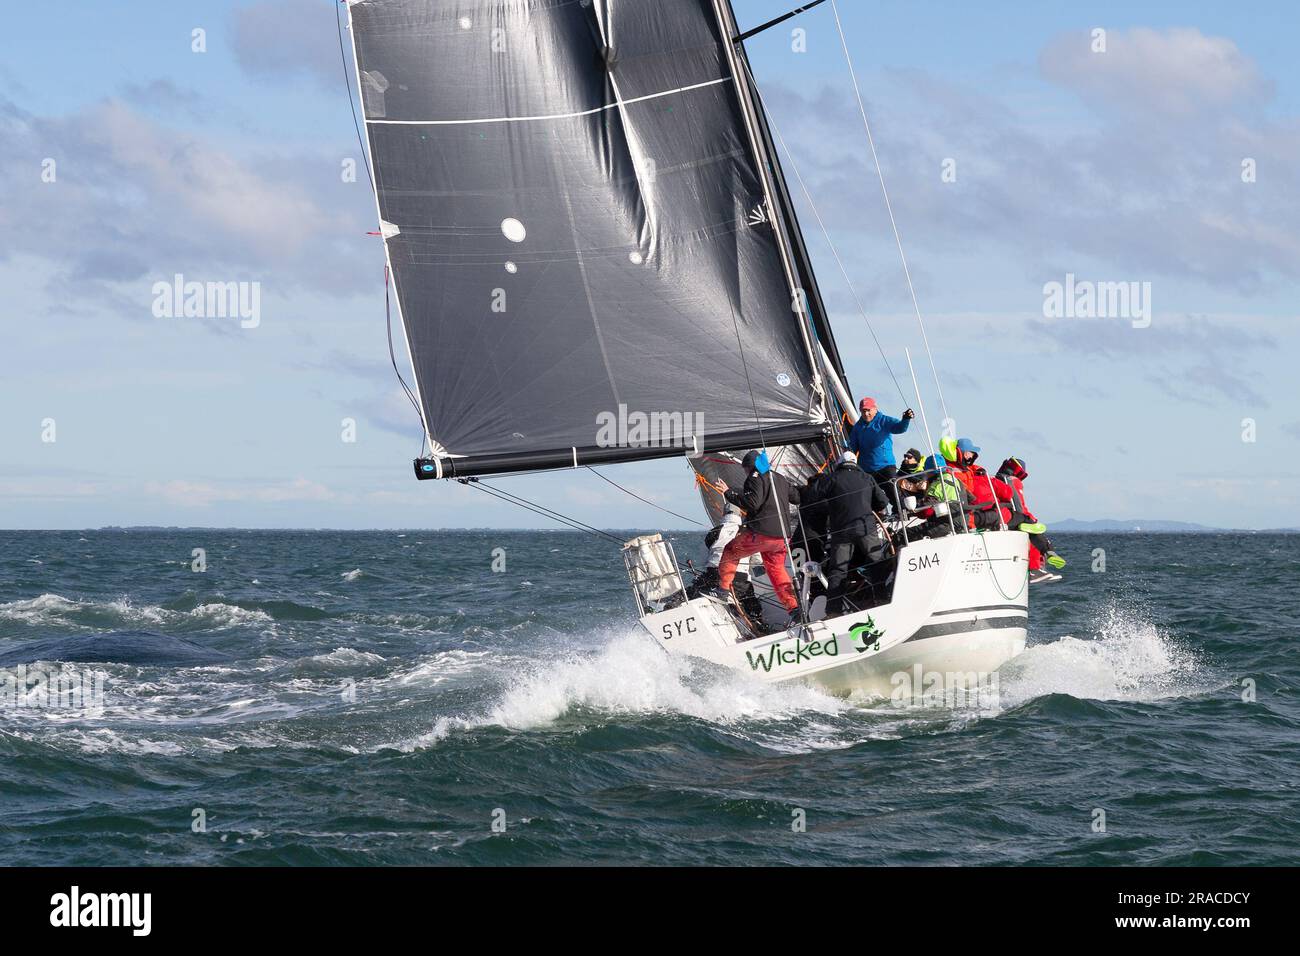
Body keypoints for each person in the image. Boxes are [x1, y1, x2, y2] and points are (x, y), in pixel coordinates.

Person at [800, 451, 890, 616]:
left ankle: (833, 611)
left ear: (839, 463)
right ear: (855, 463)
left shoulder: (832, 478)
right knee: (876, 562)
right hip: (866, 528)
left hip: (841, 532)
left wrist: (829, 506)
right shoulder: (867, 478)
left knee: (838, 570)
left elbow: (812, 495)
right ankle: (882, 599)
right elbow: (883, 502)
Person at [714, 450, 801, 618]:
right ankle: (794, 609)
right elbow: (796, 497)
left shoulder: (754, 476)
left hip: (762, 533)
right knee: (777, 570)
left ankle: (722, 590)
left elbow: (752, 502)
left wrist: (728, 494)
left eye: (745, 469)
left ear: (749, 467)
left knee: (731, 550)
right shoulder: (779, 478)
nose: (745, 473)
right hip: (782, 536)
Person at [996, 456, 1066, 583]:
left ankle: (1043, 560)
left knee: (1031, 526)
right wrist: (1031, 519)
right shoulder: (1013, 481)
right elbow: (1019, 506)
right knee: (1032, 529)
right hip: (1008, 518)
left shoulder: (995, 480)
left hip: (997, 517)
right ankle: (1036, 568)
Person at [846, 397, 914, 509]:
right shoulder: (857, 427)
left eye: (868, 410)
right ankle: (877, 518)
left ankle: (903, 512)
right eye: (863, 411)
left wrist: (906, 419)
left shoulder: (884, 420)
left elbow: (900, 428)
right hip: (868, 470)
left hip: (886, 467)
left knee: (894, 492)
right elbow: (852, 448)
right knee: (868, 497)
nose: (866, 413)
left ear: (875, 409)